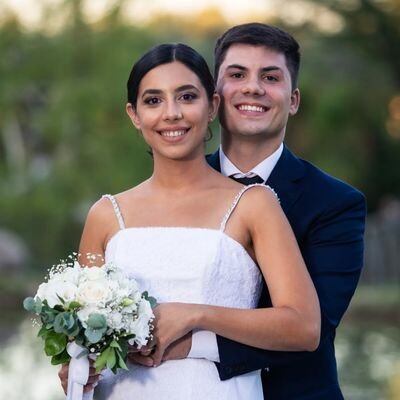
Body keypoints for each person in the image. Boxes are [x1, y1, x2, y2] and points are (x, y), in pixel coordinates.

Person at [59, 42, 320, 399]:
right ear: (134, 114)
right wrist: (78, 366)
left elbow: (304, 327)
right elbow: (82, 339)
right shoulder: (105, 215)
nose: (171, 113)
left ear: (212, 105)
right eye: (153, 101)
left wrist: (197, 314)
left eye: (186, 97)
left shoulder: (253, 204)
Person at [129, 24, 366, 399]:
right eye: (237, 74)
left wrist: (190, 343)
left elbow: (312, 328)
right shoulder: (167, 187)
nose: (253, 87)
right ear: (215, 98)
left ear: (293, 100)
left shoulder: (336, 204)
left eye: (270, 77)